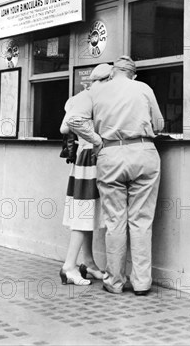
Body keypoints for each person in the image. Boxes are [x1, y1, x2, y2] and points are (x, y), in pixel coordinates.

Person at [66, 55, 164, 296]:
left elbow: (74, 119)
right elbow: (159, 124)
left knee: (115, 221)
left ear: (113, 73)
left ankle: (115, 282)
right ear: (133, 74)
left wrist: (97, 139)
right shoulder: (143, 88)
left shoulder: (96, 92)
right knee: (142, 221)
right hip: (144, 153)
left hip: (110, 155)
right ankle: (142, 283)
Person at [59, 63, 112, 286]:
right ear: (106, 80)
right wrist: (95, 138)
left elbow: (64, 127)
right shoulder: (91, 97)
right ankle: (69, 266)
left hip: (83, 160)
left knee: (87, 213)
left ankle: (88, 263)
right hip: (90, 157)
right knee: (84, 214)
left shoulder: (77, 98)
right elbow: (69, 125)